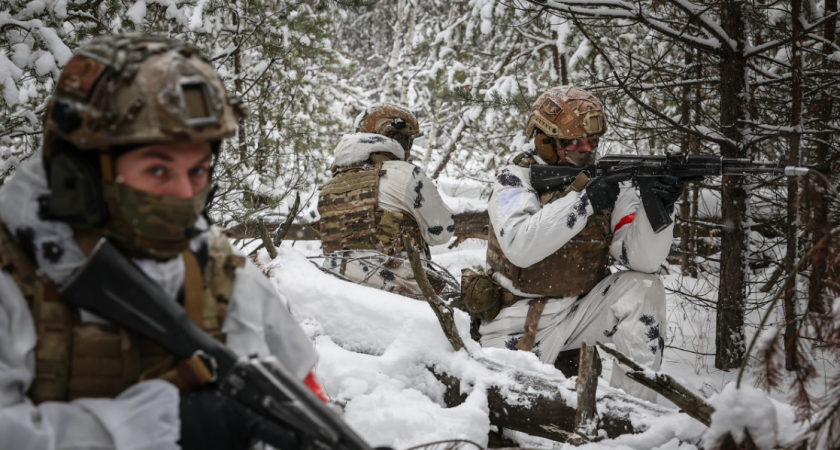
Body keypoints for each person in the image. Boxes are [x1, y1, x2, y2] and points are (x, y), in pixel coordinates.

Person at [0, 34, 324, 450]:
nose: (185, 195)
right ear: (81, 171)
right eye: (157, 170)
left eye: (198, 170)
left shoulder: (219, 269)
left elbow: (304, 392)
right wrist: (160, 423)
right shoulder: (14, 274)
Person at [474, 86, 684, 402]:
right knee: (495, 412)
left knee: (644, 287)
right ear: (545, 139)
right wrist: (583, 201)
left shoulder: (606, 181)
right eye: (575, 141)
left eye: (592, 141)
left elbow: (643, 261)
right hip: (514, 321)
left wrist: (658, 207)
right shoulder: (514, 179)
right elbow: (521, 245)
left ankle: (632, 412)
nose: (586, 148)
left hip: (579, 314)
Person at [318, 104, 457, 299]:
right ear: (395, 136)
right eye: (407, 140)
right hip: (396, 297)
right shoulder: (405, 174)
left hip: (338, 293)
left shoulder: (330, 186)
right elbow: (443, 231)